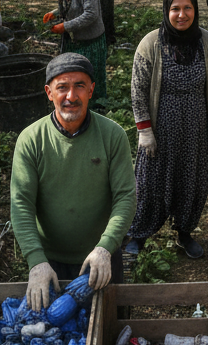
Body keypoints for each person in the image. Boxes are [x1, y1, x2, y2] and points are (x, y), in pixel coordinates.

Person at [10, 53, 136, 308]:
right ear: (49, 92)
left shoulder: (113, 135)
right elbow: (21, 203)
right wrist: (36, 260)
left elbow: (126, 196)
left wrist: (105, 247)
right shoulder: (31, 139)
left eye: (79, 85)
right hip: (50, 262)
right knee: (55, 336)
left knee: (111, 331)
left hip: (101, 258)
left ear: (91, 90)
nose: (71, 96)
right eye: (62, 87)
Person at [125, 0, 208, 261]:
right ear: (166, 10)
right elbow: (138, 90)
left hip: (195, 128)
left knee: (191, 180)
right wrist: (145, 130)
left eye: (187, 8)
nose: (181, 15)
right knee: (150, 182)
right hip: (161, 128)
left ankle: (184, 232)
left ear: (195, 9)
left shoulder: (206, 42)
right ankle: (139, 233)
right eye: (175, 9)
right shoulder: (151, 44)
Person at [44, 0, 108, 108]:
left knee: (91, 78)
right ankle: (76, 106)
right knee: (73, 77)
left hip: (90, 40)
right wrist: (56, 13)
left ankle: (97, 109)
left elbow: (91, 14)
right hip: (73, 40)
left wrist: (65, 26)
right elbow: (70, 6)